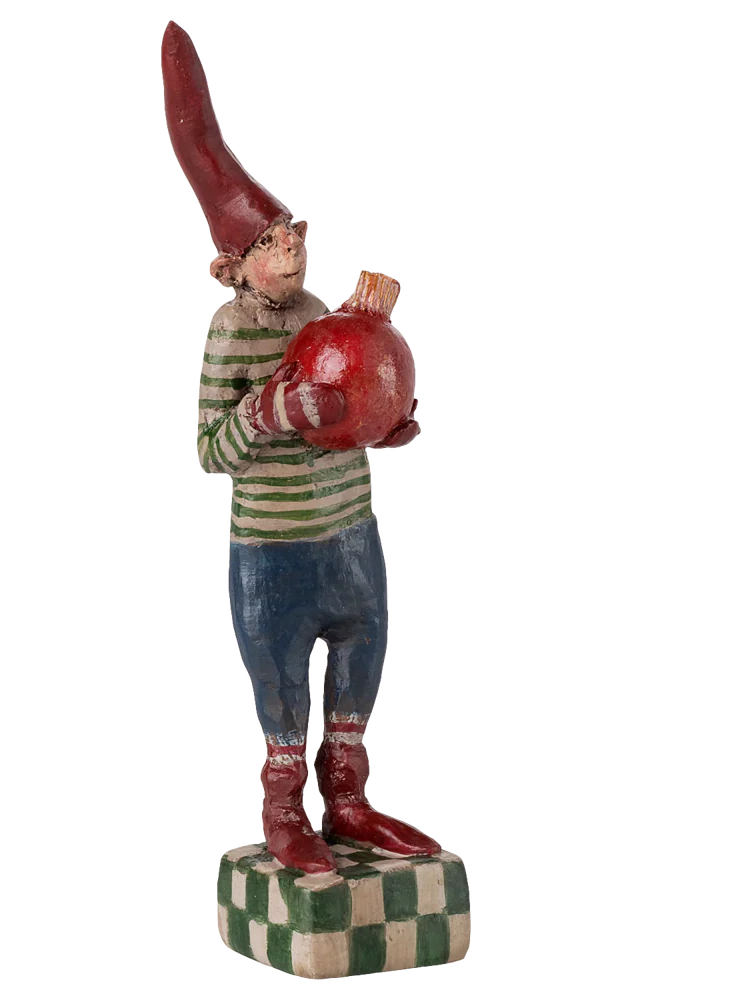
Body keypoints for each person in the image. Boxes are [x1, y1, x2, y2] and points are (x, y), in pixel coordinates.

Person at [162, 20, 439, 874]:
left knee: (359, 668)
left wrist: (384, 401)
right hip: (274, 550)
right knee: (282, 686)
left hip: (350, 534)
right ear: (233, 263)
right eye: (268, 241)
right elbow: (209, 453)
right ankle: (287, 813)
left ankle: (347, 803)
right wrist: (270, 410)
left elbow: (360, 402)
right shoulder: (226, 339)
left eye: (288, 234)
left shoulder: (325, 318)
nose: (289, 246)